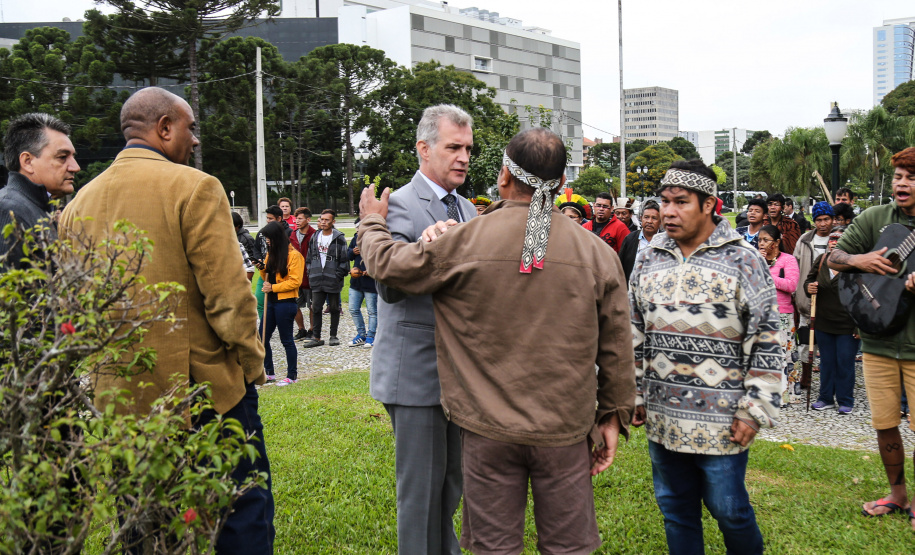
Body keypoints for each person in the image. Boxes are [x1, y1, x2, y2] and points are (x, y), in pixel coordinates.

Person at [358, 127, 634, 555]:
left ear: (504, 175)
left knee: (494, 547)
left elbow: (388, 265)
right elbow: (617, 348)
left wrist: (372, 220)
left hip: (488, 431)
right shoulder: (597, 253)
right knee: (568, 546)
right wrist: (612, 416)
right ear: (561, 185)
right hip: (564, 432)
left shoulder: (466, 238)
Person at [58, 86, 274, 551]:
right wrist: (253, 366)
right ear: (164, 127)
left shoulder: (76, 206)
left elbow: (78, 307)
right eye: (190, 127)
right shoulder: (195, 187)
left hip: (120, 398)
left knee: (143, 524)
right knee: (242, 512)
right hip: (203, 392)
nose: (195, 140)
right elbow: (229, 298)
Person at [630, 159, 781, 555]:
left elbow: (767, 337)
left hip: (723, 420)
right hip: (663, 416)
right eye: (664, 201)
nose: (667, 212)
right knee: (675, 510)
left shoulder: (743, 259)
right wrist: (634, 393)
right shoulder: (648, 258)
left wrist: (754, 409)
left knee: (729, 509)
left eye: (680, 202)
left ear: (710, 204)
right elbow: (632, 330)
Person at [369, 104, 476, 555]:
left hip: (458, 375)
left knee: (450, 486)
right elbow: (388, 287)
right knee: (419, 495)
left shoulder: (469, 207)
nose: (464, 157)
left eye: (468, 148)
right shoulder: (400, 204)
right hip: (415, 376)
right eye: (454, 147)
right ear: (424, 149)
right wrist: (422, 247)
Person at [828, 147, 915, 523]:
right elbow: (833, 258)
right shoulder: (876, 218)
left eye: (911, 176)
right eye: (898, 176)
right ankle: (897, 494)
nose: (902, 183)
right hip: (878, 340)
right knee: (884, 423)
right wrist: (860, 260)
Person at [0, 113, 79, 268]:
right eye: (62, 157)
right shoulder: (9, 210)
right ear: (27, 162)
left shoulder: (36, 206)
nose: (75, 167)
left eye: (73, 157)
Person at [805, 226, 856, 414]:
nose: (834, 242)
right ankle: (825, 397)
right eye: (832, 239)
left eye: (839, 239)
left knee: (845, 362)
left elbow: (864, 297)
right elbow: (807, 281)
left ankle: (845, 400)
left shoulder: (854, 264)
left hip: (847, 324)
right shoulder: (822, 260)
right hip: (823, 321)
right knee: (826, 362)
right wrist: (809, 287)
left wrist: (859, 327)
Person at [758, 224, 800, 404]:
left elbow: (791, 285)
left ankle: (785, 395)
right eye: (759, 240)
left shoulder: (788, 260)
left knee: (784, 356)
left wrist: (767, 274)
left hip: (782, 314)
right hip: (761, 313)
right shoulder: (755, 259)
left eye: (765, 240)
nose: (761, 243)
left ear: (776, 243)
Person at [258, 221, 304, 385]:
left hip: (285, 303)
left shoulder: (294, 256)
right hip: (270, 301)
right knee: (262, 336)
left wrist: (273, 287)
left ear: (276, 237)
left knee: (286, 340)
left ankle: (292, 375)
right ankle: (269, 372)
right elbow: (267, 275)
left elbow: (295, 282)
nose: (267, 241)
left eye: (269, 238)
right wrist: (261, 267)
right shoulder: (272, 253)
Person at [793, 201, 835, 375]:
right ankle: (806, 374)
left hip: (831, 299)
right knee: (805, 339)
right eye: (819, 220)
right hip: (807, 297)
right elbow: (796, 265)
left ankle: (828, 376)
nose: (823, 224)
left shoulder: (838, 238)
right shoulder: (805, 239)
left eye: (826, 219)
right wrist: (797, 292)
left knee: (827, 340)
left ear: (832, 219)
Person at [302, 209, 348, 348]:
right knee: (315, 307)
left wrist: (337, 275)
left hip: (333, 278)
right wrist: (310, 272)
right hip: (316, 278)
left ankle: (333, 335)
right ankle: (316, 337)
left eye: (327, 220)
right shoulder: (315, 236)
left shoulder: (339, 237)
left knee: (334, 308)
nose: (323, 222)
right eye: (321, 219)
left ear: (333, 222)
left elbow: (344, 260)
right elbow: (309, 257)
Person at [347, 220, 377, 348]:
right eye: (357, 228)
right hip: (356, 282)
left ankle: (371, 336)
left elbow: (382, 259)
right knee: (353, 309)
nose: (358, 230)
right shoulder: (355, 238)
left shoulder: (376, 239)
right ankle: (361, 334)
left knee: (372, 311)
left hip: (370, 282)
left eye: (360, 227)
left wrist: (372, 271)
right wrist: (352, 252)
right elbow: (348, 255)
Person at [289, 207, 316, 340]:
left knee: (313, 305)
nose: (297, 221)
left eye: (300, 219)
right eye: (296, 219)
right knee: (294, 305)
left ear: (308, 220)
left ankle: (312, 329)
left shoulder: (315, 235)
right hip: (295, 277)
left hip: (310, 277)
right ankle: (301, 329)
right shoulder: (292, 235)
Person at [619, 199, 660, 283]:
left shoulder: (666, 241)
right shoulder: (630, 239)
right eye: (646, 217)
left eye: (654, 218)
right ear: (641, 218)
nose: (649, 221)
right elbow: (620, 266)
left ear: (660, 221)